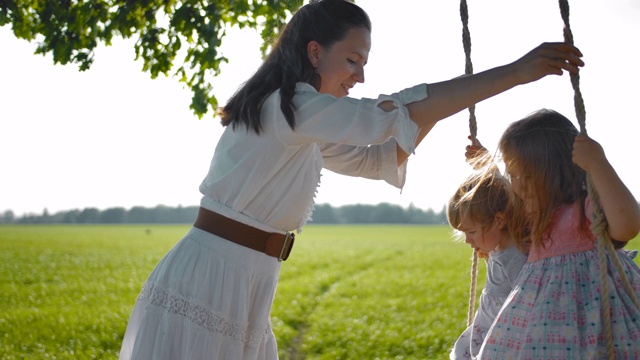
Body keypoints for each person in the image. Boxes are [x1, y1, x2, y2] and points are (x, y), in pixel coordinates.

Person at [118, 0, 585, 358]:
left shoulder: (302, 122)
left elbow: (379, 158)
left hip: (248, 278)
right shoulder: (291, 107)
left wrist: (432, 113)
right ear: (315, 52)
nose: (360, 76)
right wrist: (516, 73)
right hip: (214, 276)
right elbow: (385, 117)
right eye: (353, 61)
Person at [477, 109, 640, 359]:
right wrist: (486, 164)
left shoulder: (583, 206)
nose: (518, 184)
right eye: (512, 175)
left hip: (593, 317)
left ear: (557, 169)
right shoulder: (535, 213)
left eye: (527, 175)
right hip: (540, 321)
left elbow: (627, 225)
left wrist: (599, 165)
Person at [447, 140, 528, 360]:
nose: (467, 241)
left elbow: (512, 199)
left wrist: (490, 167)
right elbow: (499, 196)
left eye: (470, 232)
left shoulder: (517, 254)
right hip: (487, 324)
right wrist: (487, 167)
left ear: (500, 220)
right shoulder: (496, 243)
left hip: (504, 331)